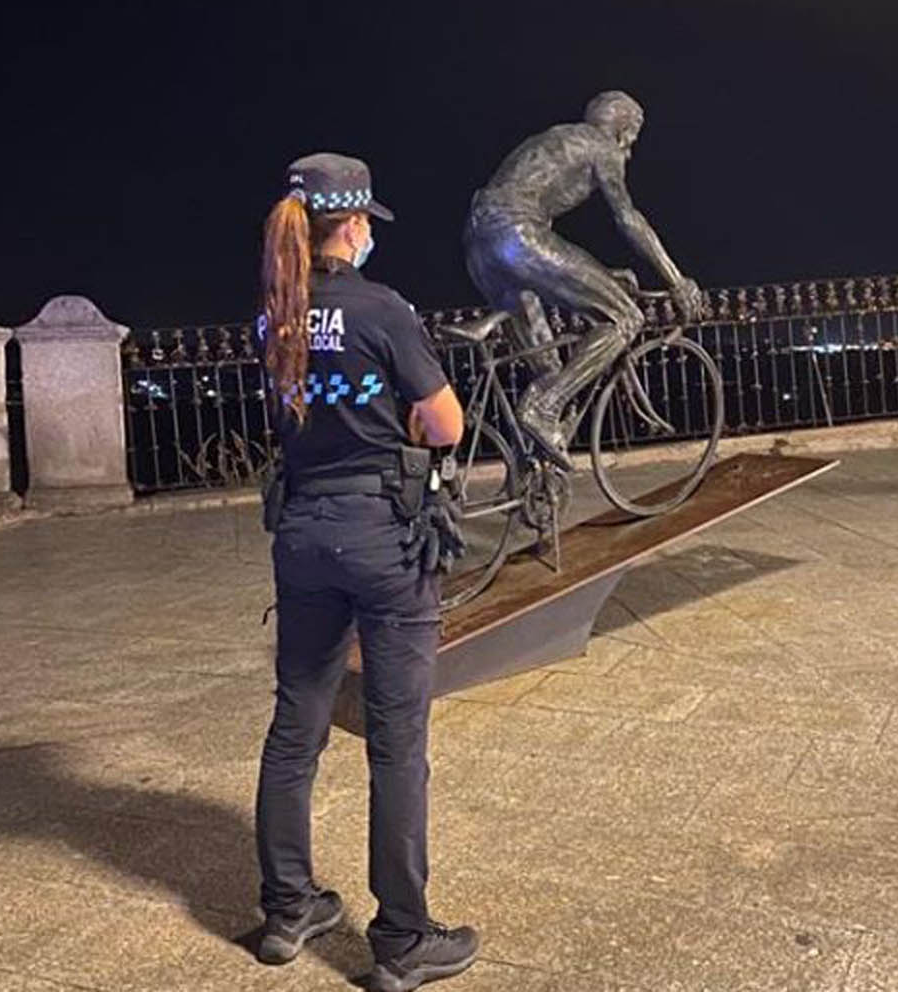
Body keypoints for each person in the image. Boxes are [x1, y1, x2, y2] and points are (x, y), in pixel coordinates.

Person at [253, 151, 478, 992]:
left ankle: (288, 910)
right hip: (384, 535)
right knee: (396, 744)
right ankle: (403, 942)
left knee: (295, 727)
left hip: (302, 533)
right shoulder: (381, 308)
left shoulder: (274, 312)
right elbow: (445, 423)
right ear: (353, 225)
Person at [463, 90, 704, 470]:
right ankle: (544, 409)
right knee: (624, 319)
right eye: (634, 138)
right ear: (624, 129)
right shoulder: (602, 145)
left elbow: (552, 256)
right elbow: (628, 219)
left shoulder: (556, 138)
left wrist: (603, 275)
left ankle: (533, 479)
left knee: (551, 373)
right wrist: (676, 280)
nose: (631, 149)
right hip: (516, 232)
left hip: (481, 240)